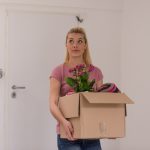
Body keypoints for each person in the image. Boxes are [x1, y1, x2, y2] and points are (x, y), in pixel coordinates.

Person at [49, 27, 103, 150]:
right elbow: (52, 104)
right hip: (68, 133)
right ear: (66, 45)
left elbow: (101, 103)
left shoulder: (96, 72)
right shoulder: (58, 71)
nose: (75, 45)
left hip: (92, 133)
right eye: (71, 41)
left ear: (85, 45)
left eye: (79, 41)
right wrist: (64, 122)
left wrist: (108, 127)